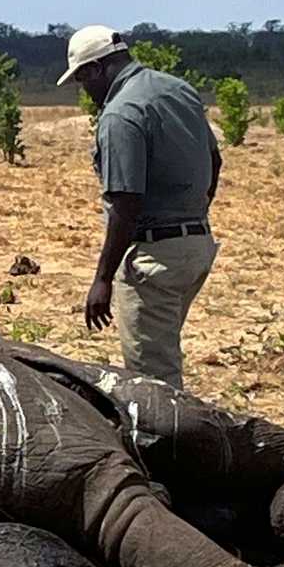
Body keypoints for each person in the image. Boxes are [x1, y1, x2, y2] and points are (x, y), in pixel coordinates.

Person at [59, 25, 222, 389]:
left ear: (98, 68)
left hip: (154, 262)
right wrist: (191, 213)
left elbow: (125, 203)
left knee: (154, 385)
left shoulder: (120, 114)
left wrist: (102, 279)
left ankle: (173, 446)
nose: (86, 91)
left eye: (84, 80)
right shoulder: (178, 90)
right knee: (164, 355)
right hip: (196, 247)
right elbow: (215, 160)